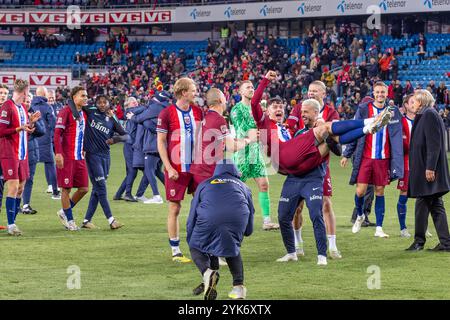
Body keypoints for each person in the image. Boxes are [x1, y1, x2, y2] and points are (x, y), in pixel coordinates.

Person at [251, 71, 392, 178]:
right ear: (267, 111)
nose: (279, 109)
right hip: (288, 154)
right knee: (325, 127)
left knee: (330, 140)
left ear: (323, 94)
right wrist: (265, 80)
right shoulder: (264, 121)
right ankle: (370, 121)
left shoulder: (285, 127)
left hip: (298, 165)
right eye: (275, 107)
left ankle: (368, 128)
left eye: (281, 107)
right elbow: (254, 102)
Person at [341, 82, 404, 238]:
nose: (380, 94)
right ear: (373, 93)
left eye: (383, 92)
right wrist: (347, 154)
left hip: (383, 159)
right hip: (365, 158)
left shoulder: (393, 111)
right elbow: (355, 131)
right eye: (377, 92)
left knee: (379, 192)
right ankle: (360, 215)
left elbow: (400, 132)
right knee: (360, 191)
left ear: (386, 93)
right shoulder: (363, 109)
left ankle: (379, 228)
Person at [288, 81, 342, 259]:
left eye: (314, 91)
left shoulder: (331, 112)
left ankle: (332, 247)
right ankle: (298, 243)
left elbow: (336, 137)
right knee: (297, 207)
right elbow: (291, 130)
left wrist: (323, 125)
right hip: (301, 163)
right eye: (309, 91)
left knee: (326, 203)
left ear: (324, 94)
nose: (310, 94)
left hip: (320, 165)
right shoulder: (300, 109)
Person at [187, 160, 254, 300]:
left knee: (196, 245)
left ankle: (207, 273)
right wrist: (246, 231)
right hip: (237, 218)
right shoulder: (244, 186)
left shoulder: (204, 184)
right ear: (235, 172)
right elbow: (250, 212)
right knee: (230, 244)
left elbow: (192, 213)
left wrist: (190, 236)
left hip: (209, 218)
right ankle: (238, 288)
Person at [276, 99, 329, 265]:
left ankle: (322, 255)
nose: (302, 115)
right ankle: (291, 252)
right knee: (283, 216)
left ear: (315, 113)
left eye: (306, 112)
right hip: (294, 180)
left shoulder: (324, 132)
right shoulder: (299, 134)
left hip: (312, 179)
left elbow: (333, 148)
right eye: (302, 112)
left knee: (316, 214)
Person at [157, 77, 203, 263]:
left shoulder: (198, 111)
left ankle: (202, 245)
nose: (196, 92)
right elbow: (160, 142)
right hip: (176, 168)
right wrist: (168, 168)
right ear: (184, 92)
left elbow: (201, 139)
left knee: (202, 205)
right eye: (193, 90)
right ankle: (176, 250)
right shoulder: (166, 114)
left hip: (197, 168)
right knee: (175, 208)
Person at [230, 81, 279, 231]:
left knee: (264, 184)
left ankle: (266, 221)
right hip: (242, 153)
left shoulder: (257, 108)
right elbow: (242, 129)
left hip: (256, 152)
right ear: (240, 92)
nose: (251, 89)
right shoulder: (236, 109)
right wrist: (256, 126)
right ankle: (232, 219)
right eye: (248, 87)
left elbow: (263, 127)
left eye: (252, 87)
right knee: (237, 189)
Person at [406, 90, 450, 252]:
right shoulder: (427, 114)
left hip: (429, 170)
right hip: (426, 168)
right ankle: (446, 243)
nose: (411, 104)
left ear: (421, 101)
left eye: (413, 101)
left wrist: (430, 168)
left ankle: (419, 242)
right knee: (436, 205)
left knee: (422, 204)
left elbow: (434, 143)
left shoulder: (429, 114)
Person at [190, 88, 259, 189]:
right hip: (208, 173)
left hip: (197, 170)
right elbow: (232, 147)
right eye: (224, 97)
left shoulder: (206, 117)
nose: (226, 101)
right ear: (220, 100)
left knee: (201, 204)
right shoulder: (219, 119)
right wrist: (249, 140)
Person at [0, 79, 41, 236]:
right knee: (13, 186)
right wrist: (19, 128)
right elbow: (1, 131)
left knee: (21, 187)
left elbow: (25, 129)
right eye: (27, 93)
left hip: (23, 154)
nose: (27, 96)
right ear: (24, 92)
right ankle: (11, 225)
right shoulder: (7, 106)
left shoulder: (24, 108)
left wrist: (30, 123)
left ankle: (13, 221)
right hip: (9, 153)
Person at [81, 95, 128, 229]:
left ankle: (86, 221)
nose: (102, 105)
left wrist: (115, 139)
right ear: (96, 104)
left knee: (97, 188)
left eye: (104, 102)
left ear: (108, 103)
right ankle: (111, 220)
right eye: (99, 103)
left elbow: (126, 135)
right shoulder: (90, 111)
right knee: (101, 187)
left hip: (106, 156)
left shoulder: (111, 118)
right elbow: (73, 103)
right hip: (92, 155)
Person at [54, 86, 90, 231]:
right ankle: (70, 221)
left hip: (80, 157)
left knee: (84, 188)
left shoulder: (84, 114)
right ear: (74, 97)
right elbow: (57, 134)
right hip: (67, 157)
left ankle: (64, 211)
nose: (85, 98)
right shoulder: (65, 111)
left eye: (86, 95)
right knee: (66, 189)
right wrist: (58, 153)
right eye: (83, 95)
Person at [128, 92, 169, 204]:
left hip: (153, 144)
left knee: (149, 169)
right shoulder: (166, 108)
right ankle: (171, 191)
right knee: (155, 170)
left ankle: (157, 196)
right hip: (163, 144)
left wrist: (133, 117)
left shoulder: (155, 107)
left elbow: (142, 119)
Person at [114, 97, 147, 202]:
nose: (136, 103)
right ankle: (128, 194)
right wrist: (148, 106)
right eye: (134, 102)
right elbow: (141, 110)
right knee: (135, 172)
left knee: (132, 172)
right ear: (128, 105)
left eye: (137, 101)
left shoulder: (133, 113)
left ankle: (119, 194)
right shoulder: (129, 111)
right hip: (130, 145)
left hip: (131, 145)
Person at [33, 86, 60, 200]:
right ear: (44, 95)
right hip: (46, 140)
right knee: (50, 164)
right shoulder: (48, 107)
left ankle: (21, 197)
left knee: (29, 168)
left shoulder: (30, 106)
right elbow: (53, 124)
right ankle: (55, 191)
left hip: (32, 141)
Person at [21, 92, 46, 214]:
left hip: (31, 151)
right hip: (16, 150)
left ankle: (25, 205)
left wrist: (33, 122)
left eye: (29, 101)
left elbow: (42, 131)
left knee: (29, 178)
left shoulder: (34, 113)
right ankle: (15, 203)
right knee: (14, 179)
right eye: (25, 100)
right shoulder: (14, 111)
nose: (27, 102)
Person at [396, 94, 416, 238]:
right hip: (406, 164)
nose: (415, 104)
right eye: (412, 102)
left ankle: (423, 226)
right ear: (406, 106)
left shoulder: (423, 121)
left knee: (424, 196)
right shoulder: (401, 122)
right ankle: (403, 228)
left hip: (422, 164)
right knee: (404, 194)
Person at [0, 84, 9, 230]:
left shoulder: (8, 110)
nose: (3, 95)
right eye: (1, 92)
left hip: (3, 154)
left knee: (0, 187)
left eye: (5, 93)